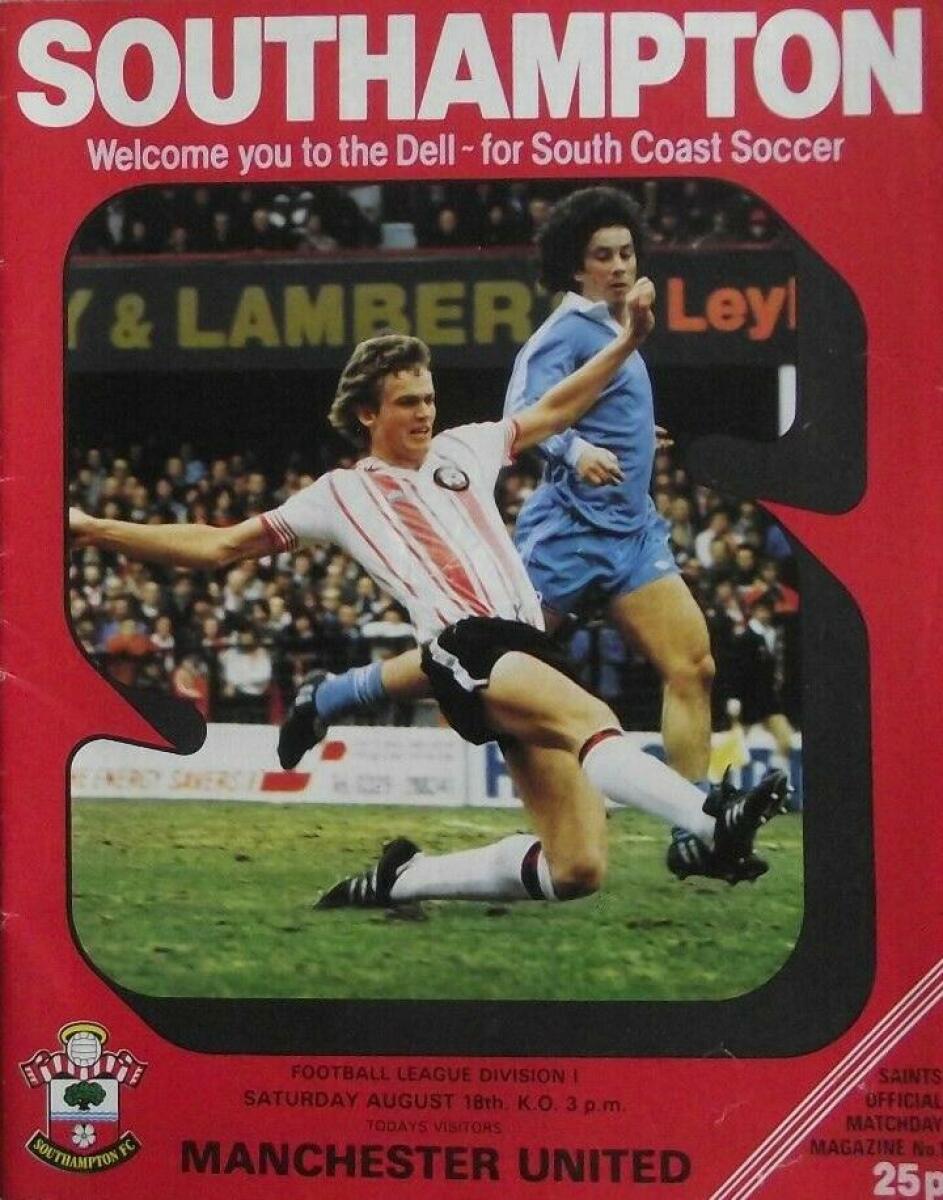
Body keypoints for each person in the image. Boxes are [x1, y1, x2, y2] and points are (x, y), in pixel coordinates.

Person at [71, 312, 786, 911]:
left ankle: (403, 878)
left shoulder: (465, 446)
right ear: (367, 413)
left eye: (428, 398)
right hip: (465, 647)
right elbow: (218, 545)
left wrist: (626, 342)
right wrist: (95, 528)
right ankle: (707, 822)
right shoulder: (339, 493)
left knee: (576, 869)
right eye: (406, 402)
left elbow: (556, 408)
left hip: (524, 649)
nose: (423, 412)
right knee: (592, 719)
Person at [287, 187, 721, 879]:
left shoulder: (616, 328)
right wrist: (577, 450)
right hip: (568, 536)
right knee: (479, 659)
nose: (618, 266)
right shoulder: (562, 334)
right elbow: (525, 412)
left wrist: (639, 436)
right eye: (602, 256)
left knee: (692, 665)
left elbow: (603, 406)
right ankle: (338, 693)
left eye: (626, 253)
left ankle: (695, 824)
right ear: (574, 266)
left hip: (633, 532)